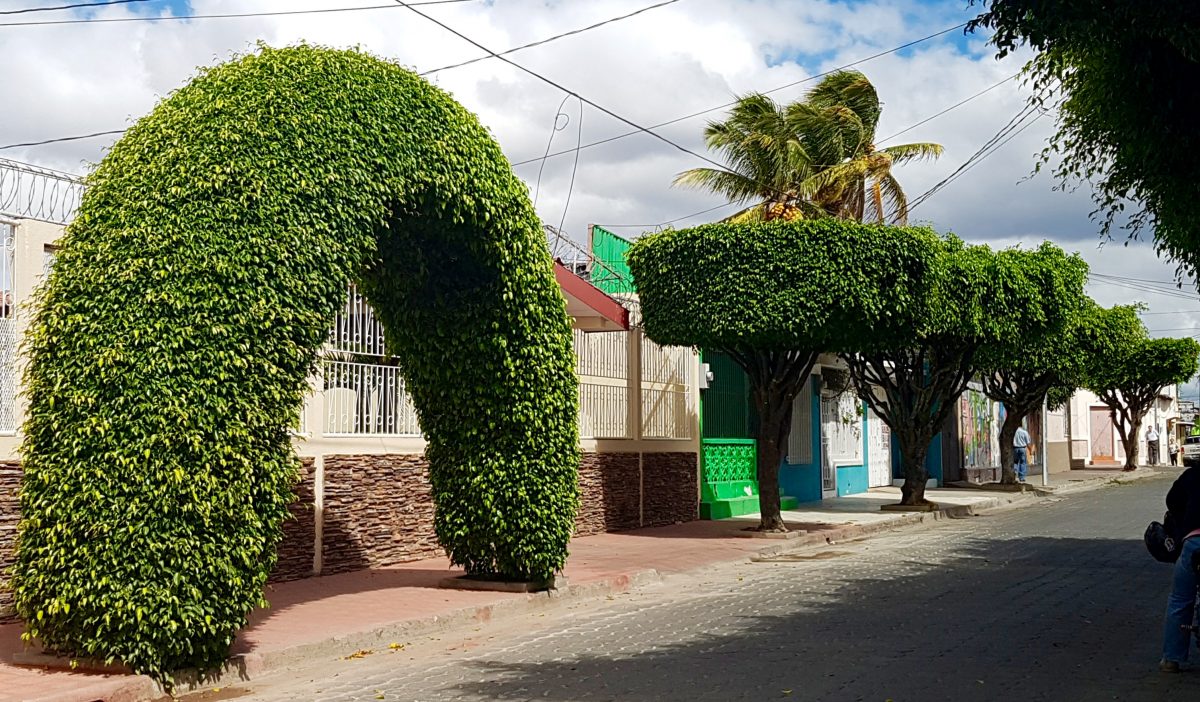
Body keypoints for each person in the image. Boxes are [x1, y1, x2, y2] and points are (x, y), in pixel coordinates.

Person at [1160, 463, 1200, 672]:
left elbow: (1172, 501)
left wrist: (1185, 521)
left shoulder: (1192, 475)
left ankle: (1171, 659)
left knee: (1180, 599)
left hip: (1193, 542)